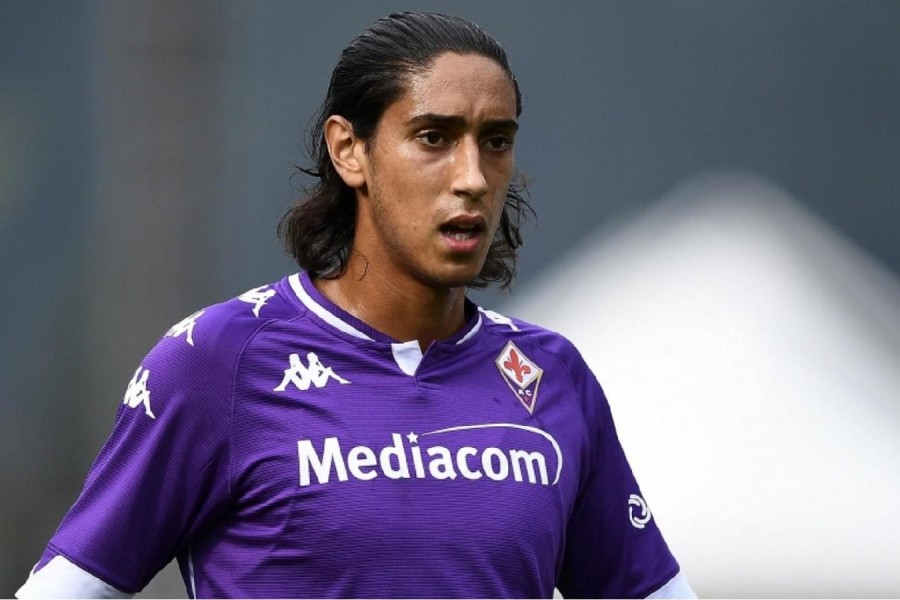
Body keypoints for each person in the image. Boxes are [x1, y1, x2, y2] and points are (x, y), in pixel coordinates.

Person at [17, 12, 694, 599]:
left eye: (496, 141)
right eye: (434, 138)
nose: (472, 177)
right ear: (350, 150)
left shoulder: (553, 376)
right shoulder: (217, 361)